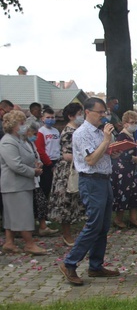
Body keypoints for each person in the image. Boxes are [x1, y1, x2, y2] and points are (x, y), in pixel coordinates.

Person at [59, 97, 121, 286]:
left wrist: (114, 150)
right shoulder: (81, 133)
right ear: (88, 112)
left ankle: (95, 265)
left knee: (103, 226)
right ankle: (69, 263)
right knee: (93, 224)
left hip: (104, 179)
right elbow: (91, 160)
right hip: (91, 181)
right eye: (100, 112)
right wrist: (107, 140)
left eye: (105, 112)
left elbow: (102, 153)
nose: (103, 116)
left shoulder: (99, 132)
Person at [0, 110, 46, 255]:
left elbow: (29, 157)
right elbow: (15, 165)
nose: (24, 126)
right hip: (14, 185)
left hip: (21, 184)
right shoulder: (8, 141)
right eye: (21, 123)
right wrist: (33, 172)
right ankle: (29, 244)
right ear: (13, 125)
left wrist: (36, 164)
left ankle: (9, 242)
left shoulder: (20, 140)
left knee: (12, 215)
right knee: (23, 214)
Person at [47, 103, 86, 247]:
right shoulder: (69, 132)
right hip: (68, 171)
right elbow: (67, 154)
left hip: (77, 168)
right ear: (70, 116)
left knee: (76, 201)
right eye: (79, 113)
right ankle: (66, 234)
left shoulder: (78, 130)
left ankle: (77, 232)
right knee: (66, 202)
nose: (82, 116)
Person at [111, 110, 137, 229]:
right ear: (125, 123)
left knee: (134, 193)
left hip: (131, 170)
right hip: (123, 170)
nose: (134, 124)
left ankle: (133, 217)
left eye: (136, 122)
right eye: (132, 122)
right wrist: (134, 158)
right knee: (123, 194)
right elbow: (119, 153)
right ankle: (118, 218)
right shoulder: (122, 136)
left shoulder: (131, 135)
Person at [25, 121, 59, 237]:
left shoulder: (31, 143)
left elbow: (36, 155)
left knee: (41, 201)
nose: (35, 136)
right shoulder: (22, 143)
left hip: (35, 176)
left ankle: (42, 226)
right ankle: (33, 228)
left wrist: (38, 163)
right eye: (33, 133)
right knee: (36, 202)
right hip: (27, 177)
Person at [35, 107, 60, 198]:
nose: (50, 119)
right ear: (43, 119)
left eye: (52, 117)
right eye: (48, 117)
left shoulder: (56, 131)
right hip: (47, 163)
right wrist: (49, 164)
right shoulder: (41, 132)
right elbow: (40, 150)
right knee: (46, 186)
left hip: (56, 160)